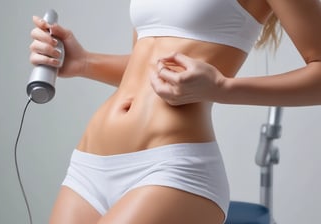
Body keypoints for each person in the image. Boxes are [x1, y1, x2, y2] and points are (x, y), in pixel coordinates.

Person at [29, 0, 321, 223]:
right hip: (88, 168)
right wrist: (84, 63)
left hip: (170, 169)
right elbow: (151, 70)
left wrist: (223, 88)